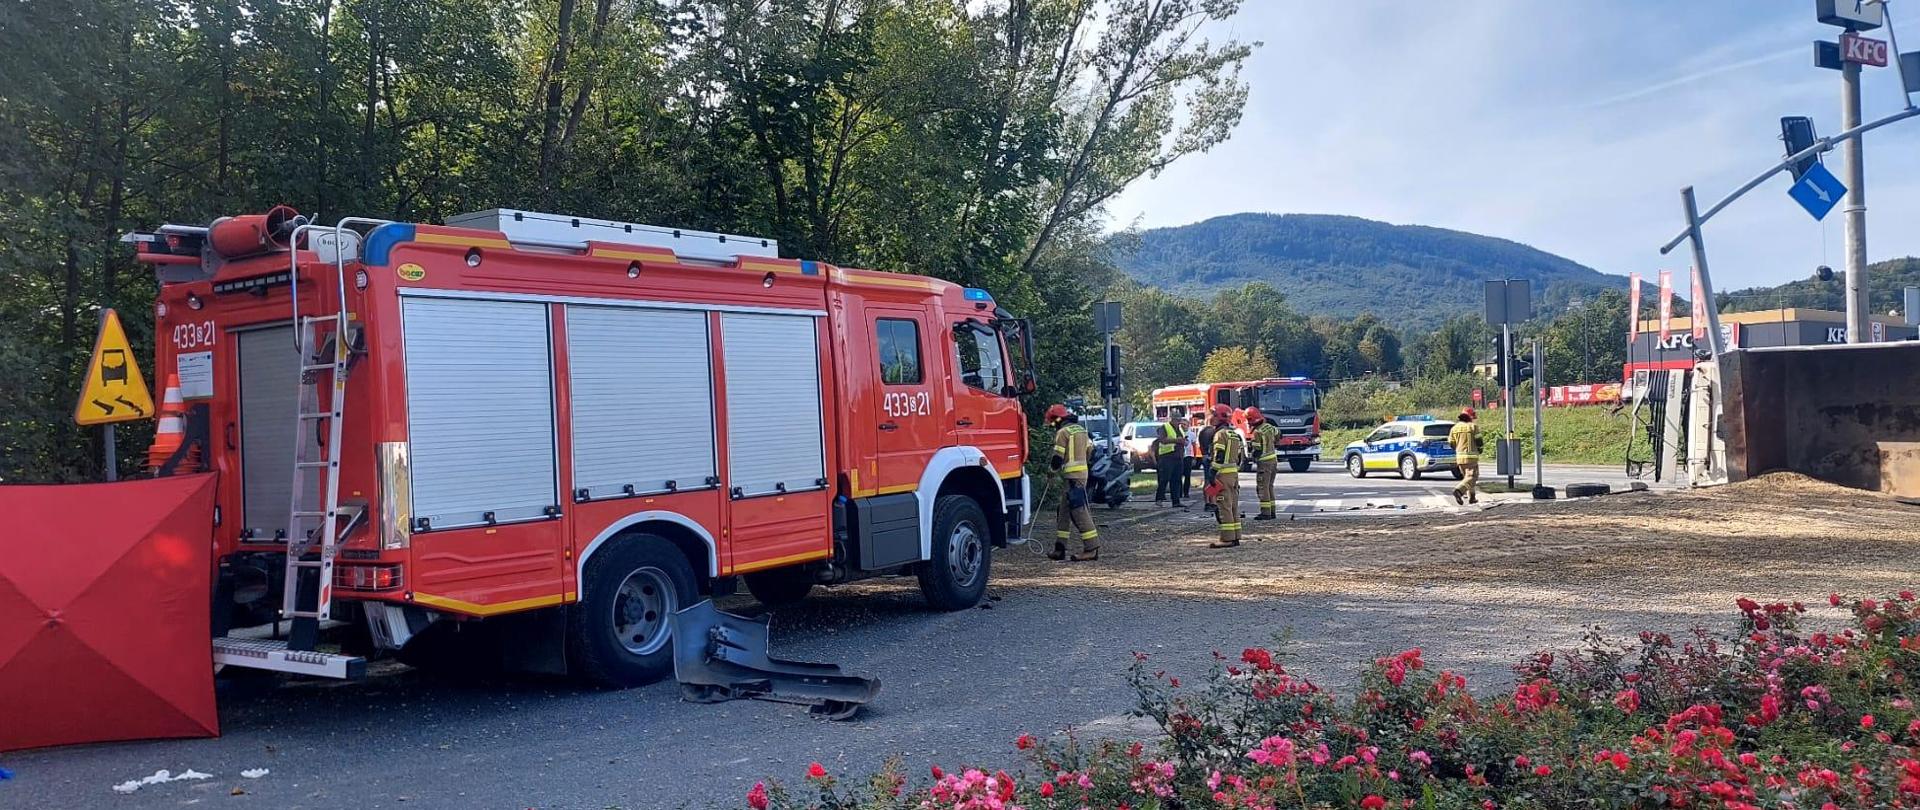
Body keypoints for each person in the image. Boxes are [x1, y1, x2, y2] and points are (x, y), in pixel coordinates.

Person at [1044, 403, 1099, 561]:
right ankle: (1059, 549)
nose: (1052, 426)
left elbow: (1057, 459)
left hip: (1073, 477)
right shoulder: (1081, 430)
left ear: (1058, 419)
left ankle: (1092, 548)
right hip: (1080, 475)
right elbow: (1091, 451)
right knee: (1064, 512)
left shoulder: (1062, 432)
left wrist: (1051, 472)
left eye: (1053, 423)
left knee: (1079, 512)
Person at [1207, 404, 1246, 548]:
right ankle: (1236, 536)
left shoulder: (1219, 434)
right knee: (1233, 506)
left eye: (1212, 415)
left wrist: (1212, 472)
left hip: (1222, 475)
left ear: (1219, 417)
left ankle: (1227, 539)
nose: (1209, 418)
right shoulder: (1234, 434)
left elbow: (1219, 455)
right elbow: (1240, 457)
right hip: (1233, 474)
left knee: (1224, 506)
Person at [1248, 406, 1281, 520]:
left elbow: (1257, 450)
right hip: (1274, 460)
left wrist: (1251, 456)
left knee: (1262, 487)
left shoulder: (1257, 432)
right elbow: (1279, 435)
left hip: (1264, 463)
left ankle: (1265, 513)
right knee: (1270, 487)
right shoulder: (1270, 427)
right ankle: (1272, 512)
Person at [1449, 407, 1483, 505]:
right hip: (1471, 457)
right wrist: (1480, 449)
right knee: (1473, 477)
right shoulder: (1473, 427)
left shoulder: (1454, 428)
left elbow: (1451, 443)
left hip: (1459, 458)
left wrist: (1458, 449)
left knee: (1467, 478)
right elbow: (1479, 441)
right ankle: (1458, 491)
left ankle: (1472, 498)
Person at [1151, 416, 1186, 507]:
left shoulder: (1179, 429)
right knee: (1164, 479)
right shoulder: (1165, 427)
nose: (1179, 423)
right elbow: (1162, 440)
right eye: (1177, 420)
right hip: (1167, 457)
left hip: (1178, 457)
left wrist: (1184, 442)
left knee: (1176, 480)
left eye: (1180, 421)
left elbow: (1182, 439)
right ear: (1172, 420)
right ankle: (1159, 499)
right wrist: (1176, 440)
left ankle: (1176, 501)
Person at [1196, 411, 1220, 514]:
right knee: (1213, 481)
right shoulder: (1213, 432)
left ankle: (1207, 502)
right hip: (1211, 458)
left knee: (1207, 480)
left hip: (1205, 456)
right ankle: (1213, 502)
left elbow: (1200, 444)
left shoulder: (1203, 431)